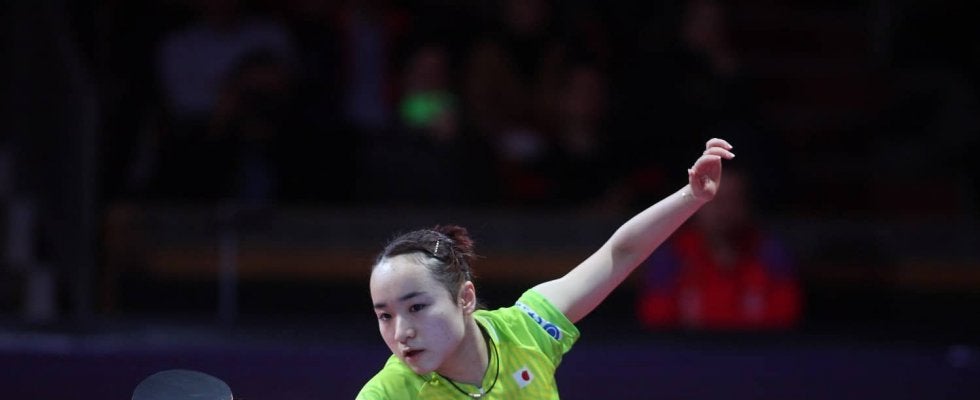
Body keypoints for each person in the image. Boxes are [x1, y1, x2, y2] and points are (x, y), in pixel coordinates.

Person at [357, 138, 735, 398]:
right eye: (385, 315)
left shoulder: (529, 329)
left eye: (417, 307)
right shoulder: (387, 394)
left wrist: (692, 196)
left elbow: (619, 254)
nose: (401, 332)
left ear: (465, 298)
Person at [635, 166, 802, 331]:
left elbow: (787, 320)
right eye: (714, 199)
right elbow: (655, 322)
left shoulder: (771, 255)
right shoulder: (671, 257)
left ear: (748, 205)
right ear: (695, 204)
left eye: (733, 200)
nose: (723, 210)